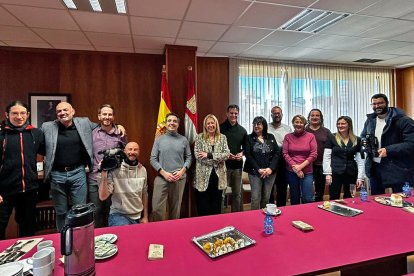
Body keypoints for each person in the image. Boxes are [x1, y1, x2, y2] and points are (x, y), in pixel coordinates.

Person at [42, 102, 96, 231]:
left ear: (73, 111)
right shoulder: (47, 127)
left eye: (65, 110)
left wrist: (118, 126)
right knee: (61, 211)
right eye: (59, 111)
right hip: (57, 174)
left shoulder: (84, 123)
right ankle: (63, 238)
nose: (62, 113)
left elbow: (103, 127)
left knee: (80, 210)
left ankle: (80, 237)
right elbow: (35, 139)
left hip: (78, 172)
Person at [0, 101, 44, 240]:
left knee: (28, 228)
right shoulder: (1, 134)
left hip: (29, 190)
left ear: (28, 114)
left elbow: (47, 151)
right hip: (4, 191)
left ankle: (27, 258)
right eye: (15, 113)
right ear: (7, 114)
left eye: (22, 113)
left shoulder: (35, 133)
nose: (19, 116)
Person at [361, 93, 414, 194]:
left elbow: (411, 144)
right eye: (374, 104)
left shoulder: (404, 121)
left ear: (387, 103)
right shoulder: (370, 120)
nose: (377, 106)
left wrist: (388, 150)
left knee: (400, 201)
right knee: (376, 201)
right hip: (375, 166)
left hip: (398, 168)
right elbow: (363, 136)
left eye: (380, 103)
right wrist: (365, 143)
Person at [88, 104, 127, 228]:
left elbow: (125, 153)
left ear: (113, 116)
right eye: (104, 114)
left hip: (114, 179)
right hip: (95, 178)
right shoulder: (92, 133)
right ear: (99, 116)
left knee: (112, 211)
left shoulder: (120, 133)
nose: (107, 117)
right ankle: (98, 240)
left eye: (110, 114)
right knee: (96, 212)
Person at [150, 112, 192, 221]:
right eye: (169, 121)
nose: (172, 123)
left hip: (179, 178)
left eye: (174, 121)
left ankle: (173, 233)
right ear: (166, 123)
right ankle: (159, 233)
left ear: (178, 124)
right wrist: (164, 173)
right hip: (162, 177)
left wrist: (182, 172)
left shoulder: (184, 140)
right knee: (156, 209)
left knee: (175, 209)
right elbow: (153, 159)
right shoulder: (159, 140)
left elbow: (189, 158)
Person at [99, 142, 148, 226]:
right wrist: (104, 172)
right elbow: (103, 197)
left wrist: (145, 216)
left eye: (135, 149)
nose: (132, 152)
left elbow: (144, 193)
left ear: (139, 152)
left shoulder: (142, 170)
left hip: (137, 216)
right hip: (118, 215)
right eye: (130, 149)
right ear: (124, 151)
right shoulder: (115, 170)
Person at [194, 115, 230, 216]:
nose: (210, 125)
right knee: (203, 205)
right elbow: (198, 156)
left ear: (216, 124)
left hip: (218, 177)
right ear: (205, 125)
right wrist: (218, 160)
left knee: (216, 206)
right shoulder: (199, 137)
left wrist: (209, 155)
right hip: (203, 177)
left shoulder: (222, 138)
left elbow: (227, 154)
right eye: (208, 123)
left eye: (212, 123)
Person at [323, 116, 365, 200]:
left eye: (343, 123)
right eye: (338, 124)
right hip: (335, 173)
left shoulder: (357, 140)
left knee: (349, 196)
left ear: (349, 125)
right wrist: (328, 173)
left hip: (351, 173)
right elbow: (326, 157)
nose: (340, 125)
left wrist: (360, 177)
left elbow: (360, 160)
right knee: (334, 196)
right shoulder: (332, 137)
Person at [244, 116, 279, 210]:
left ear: (264, 125)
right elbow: (248, 155)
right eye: (254, 124)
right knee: (255, 197)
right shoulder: (249, 138)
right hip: (255, 172)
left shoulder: (271, 137)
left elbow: (276, 153)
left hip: (270, 172)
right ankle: (254, 218)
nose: (256, 126)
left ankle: (264, 216)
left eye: (258, 124)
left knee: (266, 197)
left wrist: (270, 169)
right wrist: (258, 169)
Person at [283, 115, 317, 205]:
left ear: (305, 124)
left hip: (307, 172)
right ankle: (295, 217)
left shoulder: (311, 136)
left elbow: (314, 154)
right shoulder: (288, 137)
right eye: (296, 122)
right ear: (293, 124)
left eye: (301, 122)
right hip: (291, 171)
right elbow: (285, 154)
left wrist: (300, 167)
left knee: (307, 197)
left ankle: (308, 217)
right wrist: (295, 167)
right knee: (294, 197)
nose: (298, 124)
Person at [220, 104, 247, 212]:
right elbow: (216, 147)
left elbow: (246, 148)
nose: (233, 115)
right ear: (227, 114)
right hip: (222, 166)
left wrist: (242, 154)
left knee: (237, 194)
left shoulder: (242, 130)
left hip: (237, 167)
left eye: (236, 113)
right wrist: (226, 155)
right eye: (231, 113)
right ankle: (220, 215)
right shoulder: (220, 129)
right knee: (221, 193)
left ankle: (236, 216)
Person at [305, 109, 331, 202]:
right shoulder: (304, 130)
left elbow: (331, 148)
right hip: (306, 165)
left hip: (321, 165)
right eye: (312, 115)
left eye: (317, 115)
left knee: (319, 192)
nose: (315, 117)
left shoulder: (326, 131)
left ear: (321, 118)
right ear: (309, 117)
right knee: (306, 192)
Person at [267, 106, 291, 206]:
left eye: (278, 113)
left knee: (282, 187)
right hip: (269, 161)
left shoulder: (287, 128)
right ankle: (270, 207)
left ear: (282, 114)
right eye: (274, 113)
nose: (277, 115)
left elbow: (290, 144)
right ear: (271, 115)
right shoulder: (266, 127)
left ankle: (282, 208)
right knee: (269, 188)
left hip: (283, 161)